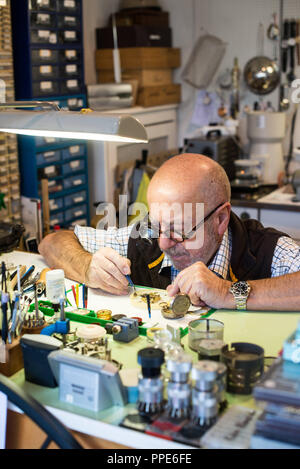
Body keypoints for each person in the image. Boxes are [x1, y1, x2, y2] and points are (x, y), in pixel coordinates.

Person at [39, 153, 300, 311]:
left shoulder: (264, 250)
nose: (163, 243)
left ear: (220, 219)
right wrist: (87, 267)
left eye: (179, 232)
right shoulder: (146, 238)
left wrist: (227, 292)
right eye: (157, 224)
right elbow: (52, 242)